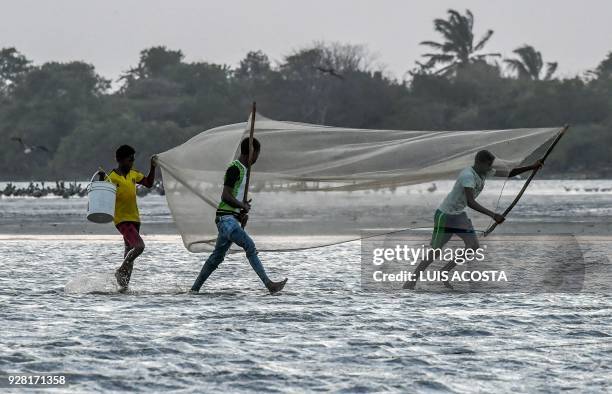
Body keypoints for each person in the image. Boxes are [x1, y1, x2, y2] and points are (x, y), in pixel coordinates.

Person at [403, 150, 543, 290]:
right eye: (488, 165)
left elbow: (510, 173)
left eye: (491, 165)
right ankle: (411, 281)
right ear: (479, 163)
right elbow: (470, 202)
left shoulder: (484, 171)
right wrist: (493, 215)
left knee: (473, 246)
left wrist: (532, 167)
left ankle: (444, 271)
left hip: (458, 215)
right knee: (436, 251)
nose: (490, 168)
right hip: (445, 215)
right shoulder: (467, 175)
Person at [191, 137, 288, 295]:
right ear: (251, 152)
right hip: (225, 220)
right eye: (256, 154)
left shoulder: (244, 170)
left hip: (231, 219)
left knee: (217, 258)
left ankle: (194, 289)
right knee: (249, 246)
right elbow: (225, 196)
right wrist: (242, 206)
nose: (257, 158)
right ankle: (269, 284)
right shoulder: (234, 169)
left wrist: (241, 213)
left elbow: (234, 199)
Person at [99, 145, 156, 291]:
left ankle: (123, 287)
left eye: (133, 159)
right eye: (130, 159)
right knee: (139, 247)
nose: (132, 162)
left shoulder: (133, 174)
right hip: (122, 220)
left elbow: (148, 183)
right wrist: (100, 178)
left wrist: (153, 167)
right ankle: (120, 271)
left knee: (129, 251)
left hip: (135, 219)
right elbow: (100, 193)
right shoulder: (111, 177)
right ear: (121, 160)